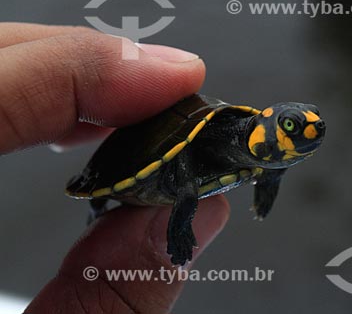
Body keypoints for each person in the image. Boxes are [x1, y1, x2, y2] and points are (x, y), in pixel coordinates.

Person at [0, 22, 230, 313]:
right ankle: (98, 207)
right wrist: (180, 229)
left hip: (178, 174)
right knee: (180, 175)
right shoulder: (228, 138)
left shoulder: (249, 145)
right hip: (144, 168)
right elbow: (185, 165)